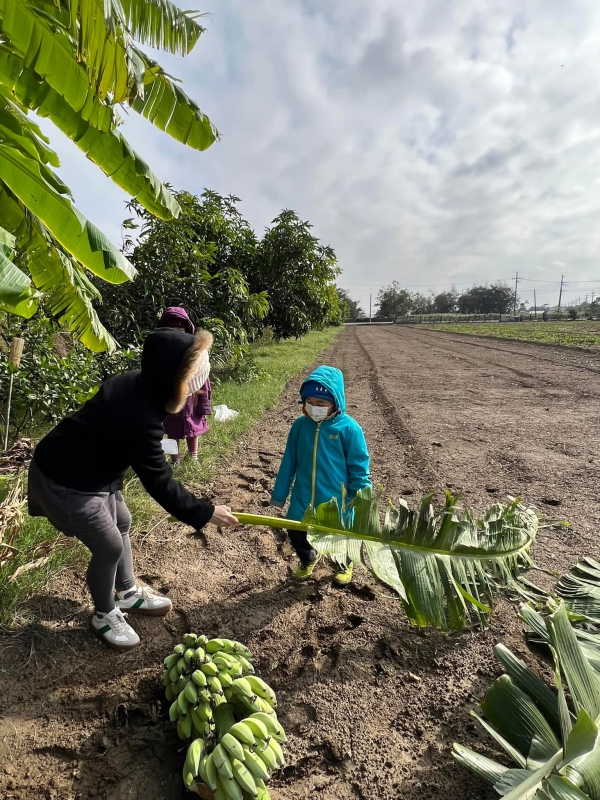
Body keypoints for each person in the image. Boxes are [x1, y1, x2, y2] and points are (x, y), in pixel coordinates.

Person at [28, 327, 238, 651]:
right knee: (109, 545)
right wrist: (206, 511)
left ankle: (127, 592)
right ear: (173, 383)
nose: (200, 388)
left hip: (94, 472)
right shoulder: (140, 419)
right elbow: (159, 481)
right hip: (66, 479)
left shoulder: (139, 387)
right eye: (194, 381)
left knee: (121, 521)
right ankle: (103, 613)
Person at [270, 366, 371, 586]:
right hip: (303, 496)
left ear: (336, 403)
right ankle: (309, 557)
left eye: (321, 404)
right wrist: (279, 495)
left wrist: (359, 497)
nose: (314, 408)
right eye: (310, 402)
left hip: (336, 499)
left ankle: (344, 563)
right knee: (295, 530)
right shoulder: (299, 426)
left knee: (339, 535)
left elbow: (359, 467)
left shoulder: (350, 429)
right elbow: (289, 461)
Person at [157, 307, 211, 464]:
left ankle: (194, 456)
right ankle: (175, 459)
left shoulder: (196, 350)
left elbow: (202, 373)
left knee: (192, 425)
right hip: (170, 396)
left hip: (192, 395)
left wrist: (202, 396)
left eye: (180, 329)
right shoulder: (161, 349)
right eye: (171, 329)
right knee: (170, 428)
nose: (176, 333)